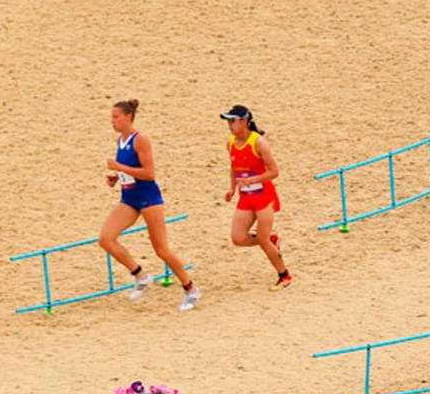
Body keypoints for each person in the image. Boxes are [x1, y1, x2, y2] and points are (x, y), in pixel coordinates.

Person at [101, 99, 199, 310]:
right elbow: (130, 168)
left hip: (148, 198)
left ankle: (190, 289)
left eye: (116, 117)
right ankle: (140, 275)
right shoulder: (121, 140)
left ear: (128, 117)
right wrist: (116, 176)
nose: (113, 122)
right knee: (106, 239)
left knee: (161, 249)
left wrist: (119, 166)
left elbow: (149, 173)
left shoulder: (140, 139)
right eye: (111, 118)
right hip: (129, 197)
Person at [222, 105, 291, 291]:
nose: (229, 125)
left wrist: (255, 179)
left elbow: (274, 171)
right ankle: (272, 239)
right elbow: (233, 167)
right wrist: (232, 188)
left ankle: (284, 275)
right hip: (246, 197)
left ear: (244, 121)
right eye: (228, 121)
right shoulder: (231, 143)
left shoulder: (259, 143)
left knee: (262, 239)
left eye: (232, 121)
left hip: (263, 196)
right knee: (238, 238)